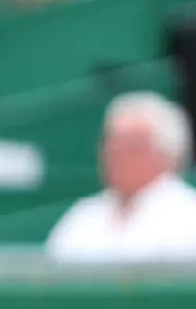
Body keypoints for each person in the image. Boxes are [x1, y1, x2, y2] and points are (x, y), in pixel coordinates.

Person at [46, 91, 196, 264]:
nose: (115, 152)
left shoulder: (188, 215)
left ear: (167, 154)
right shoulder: (84, 213)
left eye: (131, 144)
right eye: (111, 141)